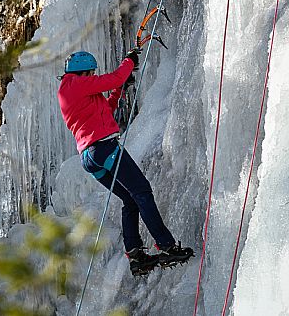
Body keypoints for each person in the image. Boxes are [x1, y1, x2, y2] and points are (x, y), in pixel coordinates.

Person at [57, 50, 194, 276]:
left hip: (90, 158)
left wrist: (119, 90)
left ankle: (136, 255)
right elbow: (115, 77)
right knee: (142, 191)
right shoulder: (74, 84)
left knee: (130, 200)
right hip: (103, 148)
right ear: (81, 72)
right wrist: (128, 62)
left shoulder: (73, 91)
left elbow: (105, 111)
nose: (92, 76)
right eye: (90, 73)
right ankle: (166, 245)